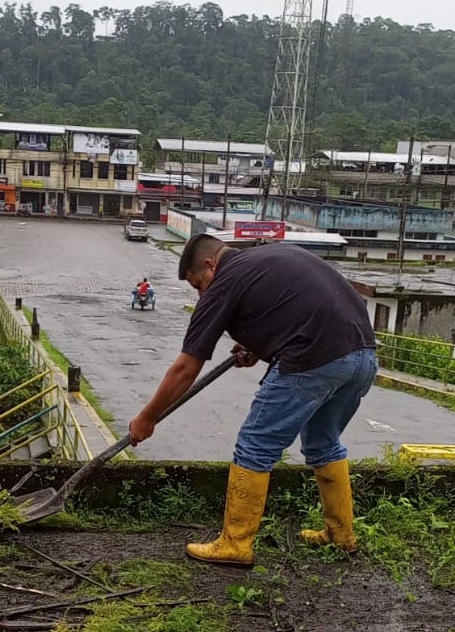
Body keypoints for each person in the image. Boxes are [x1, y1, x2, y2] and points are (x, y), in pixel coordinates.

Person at [128, 234, 378, 567]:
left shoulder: (225, 281)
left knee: (255, 445)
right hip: (363, 356)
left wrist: (147, 418)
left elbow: (186, 368)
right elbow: (295, 307)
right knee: (324, 442)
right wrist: (259, 347)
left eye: (199, 285)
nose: (202, 295)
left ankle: (235, 543)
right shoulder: (268, 256)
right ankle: (341, 535)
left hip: (313, 359)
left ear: (210, 265)